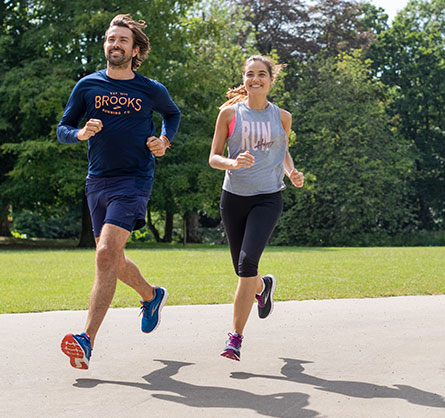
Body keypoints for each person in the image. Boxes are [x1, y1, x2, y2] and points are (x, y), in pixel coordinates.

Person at [56, 14, 180, 369]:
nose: (115, 45)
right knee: (111, 257)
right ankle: (151, 295)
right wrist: (79, 134)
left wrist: (163, 141)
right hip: (98, 180)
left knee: (106, 253)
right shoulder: (87, 86)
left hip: (135, 179)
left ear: (135, 49)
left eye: (122, 40)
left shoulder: (150, 89)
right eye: (111, 39)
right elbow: (63, 127)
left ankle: (86, 339)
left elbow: (172, 115)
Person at [209, 55, 304, 361]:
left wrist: (292, 172)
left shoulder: (282, 117)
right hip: (233, 198)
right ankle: (263, 286)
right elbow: (213, 158)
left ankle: (234, 339)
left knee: (247, 265)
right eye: (250, 75)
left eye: (261, 74)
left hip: (267, 198)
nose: (255, 79)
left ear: (271, 81)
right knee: (243, 269)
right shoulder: (228, 114)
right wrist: (233, 163)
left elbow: (283, 153)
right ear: (244, 79)